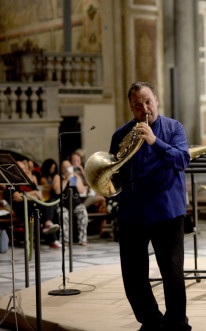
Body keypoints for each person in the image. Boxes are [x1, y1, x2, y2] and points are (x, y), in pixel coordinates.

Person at [109, 82, 191, 330]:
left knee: (172, 273)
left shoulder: (174, 128)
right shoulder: (120, 135)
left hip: (167, 211)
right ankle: (152, 321)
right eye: (137, 104)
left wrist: (155, 141)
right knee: (133, 276)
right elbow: (114, 172)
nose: (144, 108)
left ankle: (177, 324)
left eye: (148, 102)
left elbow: (183, 159)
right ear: (131, 108)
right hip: (132, 213)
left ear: (156, 100)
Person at [12, 160, 61, 248]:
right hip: (22, 208)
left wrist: (29, 194)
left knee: (50, 204)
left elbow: (39, 195)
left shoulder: (29, 181)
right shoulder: (13, 182)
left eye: (23, 168)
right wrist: (33, 193)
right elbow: (17, 198)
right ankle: (52, 236)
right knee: (42, 208)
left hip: (34, 205)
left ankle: (49, 228)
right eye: (20, 169)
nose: (23, 171)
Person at [52, 160, 89, 246]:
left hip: (75, 203)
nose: (66, 169)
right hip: (63, 204)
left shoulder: (76, 177)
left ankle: (82, 238)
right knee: (63, 214)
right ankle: (65, 239)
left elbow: (82, 190)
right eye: (64, 167)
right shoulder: (58, 177)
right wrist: (66, 179)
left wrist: (76, 178)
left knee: (83, 211)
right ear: (61, 169)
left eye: (68, 166)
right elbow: (57, 191)